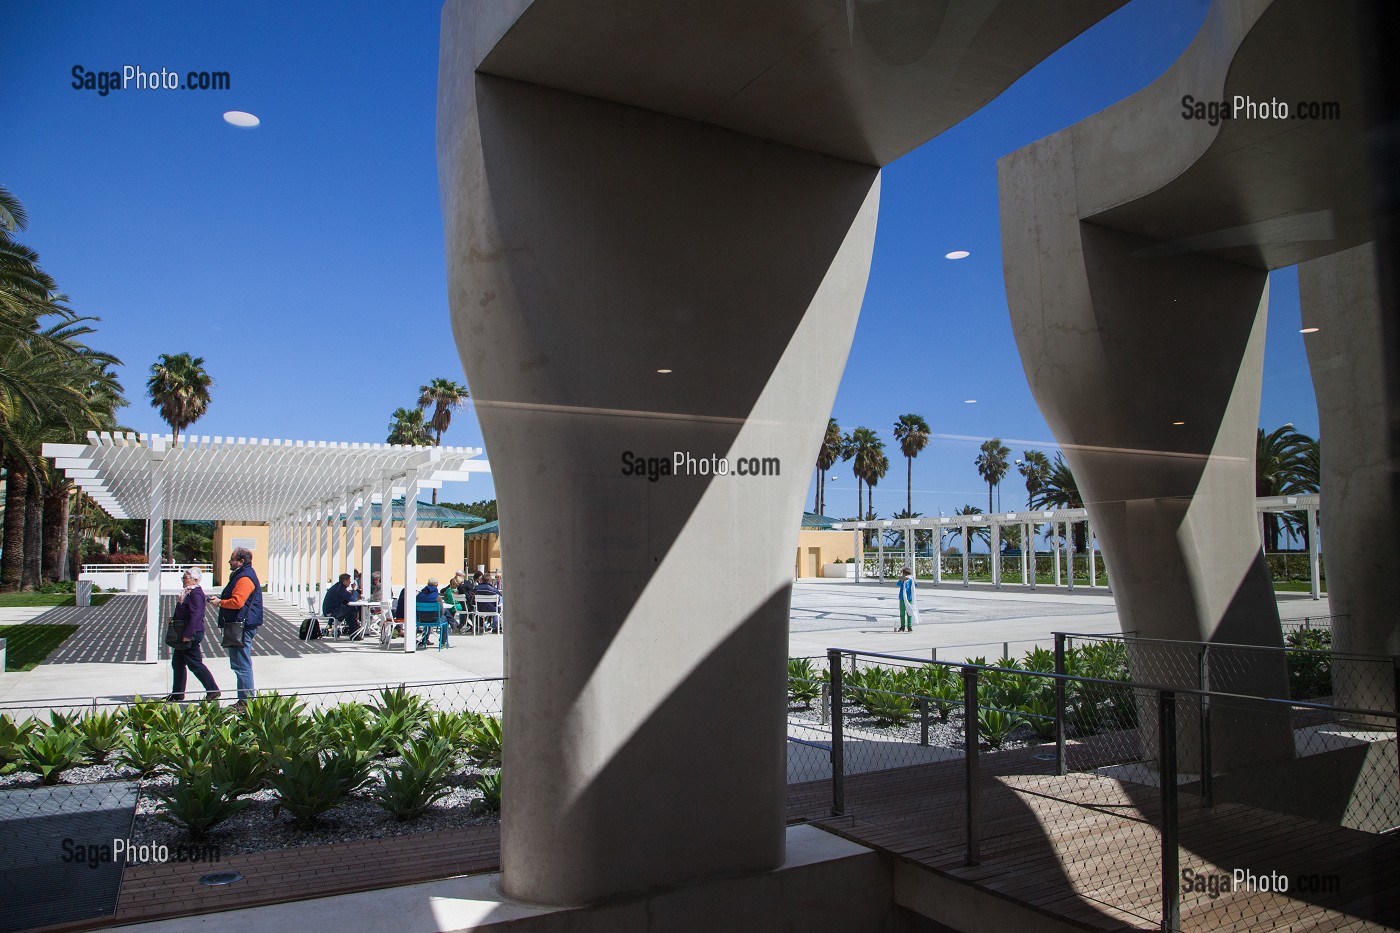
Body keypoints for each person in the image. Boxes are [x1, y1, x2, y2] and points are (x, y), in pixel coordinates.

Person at [211, 546, 263, 707]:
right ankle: (244, 700)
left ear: (241, 561)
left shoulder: (245, 578)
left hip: (242, 627)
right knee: (240, 664)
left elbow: (237, 602)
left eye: (232, 559)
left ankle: (246, 702)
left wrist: (220, 603)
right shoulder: (241, 575)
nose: (229, 562)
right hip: (240, 625)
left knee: (241, 665)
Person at [166, 568, 221, 702]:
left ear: (195, 580)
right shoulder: (187, 593)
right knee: (178, 663)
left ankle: (213, 689)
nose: (183, 580)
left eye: (186, 578)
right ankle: (177, 693)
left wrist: (188, 634)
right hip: (183, 631)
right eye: (183, 578)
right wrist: (174, 619)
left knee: (194, 663)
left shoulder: (196, 594)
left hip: (191, 633)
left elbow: (196, 615)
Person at [323, 572, 360, 637]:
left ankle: (353, 633)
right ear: (345, 581)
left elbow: (346, 599)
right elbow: (352, 599)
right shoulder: (340, 588)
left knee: (351, 610)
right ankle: (354, 633)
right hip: (332, 612)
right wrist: (354, 590)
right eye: (349, 580)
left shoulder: (338, 587)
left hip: (330, 610)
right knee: (352, 609)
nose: (350, 582)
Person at [896, 566, 918, 632]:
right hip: (902, 598)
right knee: (902, 613)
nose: (906, 576)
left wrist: (914, 580)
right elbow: (898, 584)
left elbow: (916, 585)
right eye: (904, 574)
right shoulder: (902, 580)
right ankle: (902, 626)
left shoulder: (910, 580)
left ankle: (909, 626)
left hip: (909, 598)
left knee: (909, 613)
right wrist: (902, 580)